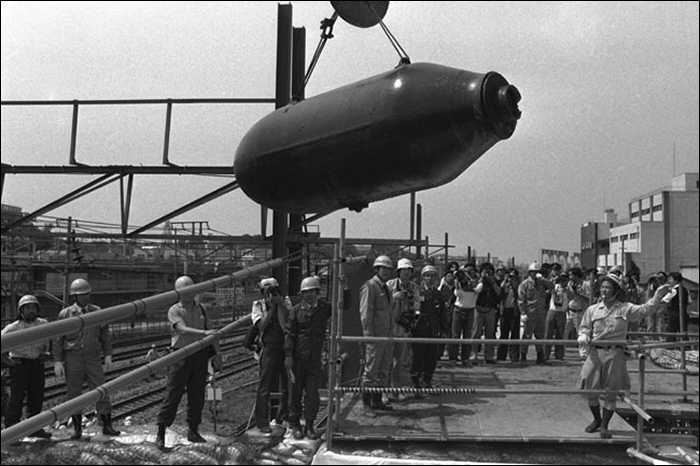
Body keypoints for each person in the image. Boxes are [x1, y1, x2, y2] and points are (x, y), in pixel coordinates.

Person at [577, 273, 670, 439]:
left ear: (615, 291)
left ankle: (605, 425)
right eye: (602, 287)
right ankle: (596, 420)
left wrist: (657, 296)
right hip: (595, 353)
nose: (604, 291)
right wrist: (583, 336)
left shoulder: (625, 308)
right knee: (589, 386)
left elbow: (645, 310)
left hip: (615, 354)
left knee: (611, 391)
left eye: (608, 288)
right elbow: (584, 327)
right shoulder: (592, 310)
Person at [155, 275, 219, 449]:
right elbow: (181, 329)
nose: (189, 295)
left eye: (191, 291)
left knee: (197, 394)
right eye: (185, 291)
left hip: (199, 355)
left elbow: (210, 331)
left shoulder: (202, 309)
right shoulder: (174, 310)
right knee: (173, 393)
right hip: (180, 356)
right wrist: (203, 334)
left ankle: (193, 429)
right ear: (179, 293)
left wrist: (217, 353)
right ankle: (161, 431)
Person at [53, 278, 120, 439]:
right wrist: (57, 360)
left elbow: (105, 334)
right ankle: (77, 428)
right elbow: (57, 339)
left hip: (93, 357)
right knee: (74, 393)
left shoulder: (97, 311)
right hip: (73, 358)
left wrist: (108, 354)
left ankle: (106, 424)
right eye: (81, 295)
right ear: (74, 297)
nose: (85, 297)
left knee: (101, 390)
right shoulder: (65, 314)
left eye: (87, 294)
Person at [284, 276, 332, 440]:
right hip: (298, 358)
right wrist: (289, 356)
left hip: (314, 359)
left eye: (311, 291)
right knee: (295, 393)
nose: (309, 295)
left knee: (312, 393)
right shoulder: (295, 311)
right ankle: (295, 424)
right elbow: (290, 335)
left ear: (317, 292)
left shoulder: (324, 308)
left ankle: (310, 425)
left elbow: (343, 307)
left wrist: (345, 288)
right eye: (305, 292)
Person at [1, 295, 52, 441]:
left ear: (38, 309)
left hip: (37, 365)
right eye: (27, 308)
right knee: (16, 399)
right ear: (21, 311)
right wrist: (5, 358)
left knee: (36, 398)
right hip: (19, 367)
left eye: (33, 308)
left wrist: (47, 354)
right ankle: (11, 431)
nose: (31, 311)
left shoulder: (44, 324)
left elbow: (54, 339)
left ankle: (34, 428)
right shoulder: (13, 328)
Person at [251, 277, 292, 434]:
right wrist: (271, 309)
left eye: (273, 290)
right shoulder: (258, 305)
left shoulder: (284, 302)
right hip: (269, 347)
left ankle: (284, 416)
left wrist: (280, 304)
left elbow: (291, 319)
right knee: (264, 386)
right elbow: (261, 326)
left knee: (289, 384)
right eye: (267, 291)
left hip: (285, 346)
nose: (270, 294)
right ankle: (262, 421)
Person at [360, 255, 394, 416]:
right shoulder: (370, 286)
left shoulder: (385, 288)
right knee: (371, 370)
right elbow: (366, 313)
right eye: (383, 268)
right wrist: (369, 336)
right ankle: (367, 405)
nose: (386, 271)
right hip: (375, 337)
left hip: (386, 336)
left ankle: (377, 400)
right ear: (376, 269)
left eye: (388, 269)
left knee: (383, 369)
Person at [411, 265, 449, 395]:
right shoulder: (417, 291)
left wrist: (444, 330)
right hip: (419, 330)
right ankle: (416, 384)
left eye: (433, 276)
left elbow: (443, 314)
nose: (430, 278)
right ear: (422, 277)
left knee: (431, 357)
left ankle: (427, 381)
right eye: (427, 275)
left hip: (433, 331)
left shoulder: (438, 294)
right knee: (418, 357)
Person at [386, 258, 420, 398]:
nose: (406, 273)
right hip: (389, 328)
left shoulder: (414, 287)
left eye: (408, 270)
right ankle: (383, 392)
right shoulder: (390, 285)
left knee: (399, 363)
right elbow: (382, 304)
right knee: (386, 362)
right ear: (398, 272)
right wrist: (394, 297)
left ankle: (395, 391)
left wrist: (411, 302)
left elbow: (418, 306)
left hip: (404, 329)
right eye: (403, 270)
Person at [518, 262, 554, 364]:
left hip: (541, 313)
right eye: (533, 272)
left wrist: (543, 279)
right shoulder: (524, 284)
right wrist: (523, 313)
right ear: (530, 273)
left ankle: (540, 356)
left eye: (537, 272)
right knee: (527, 335)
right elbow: (521, 300)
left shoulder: (542, 283)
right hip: (530, 313)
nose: (535, 274)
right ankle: (523, 356)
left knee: (540, 335)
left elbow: (552, 286)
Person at [448, 264, 479, 366]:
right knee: (455, 335)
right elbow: (458, 295)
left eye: (470, 271)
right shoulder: (461, 281)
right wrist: (458, 284)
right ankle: (453, 358)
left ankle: (465, 358)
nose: (468, 273)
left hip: (470, 310)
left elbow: (478, 289)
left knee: (467, 335)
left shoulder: (478, 281)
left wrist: (470, 281)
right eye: (466, 271)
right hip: (458, 309)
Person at [471, 262, 501, 364]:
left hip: (490, 309)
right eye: (485, 271)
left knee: (490, 334)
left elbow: (499, 292)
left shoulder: (495, 282)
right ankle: (473, 355)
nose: (488, 273)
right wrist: (481, 280)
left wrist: (492, 282)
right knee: (476, 333)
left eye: (490, 271)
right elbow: (474, 290)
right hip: (478, 309)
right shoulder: (478, 281)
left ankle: (489, 356)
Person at [497, 268, 521, 363]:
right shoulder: (504, 284)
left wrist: (514, 284)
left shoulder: (518, 285)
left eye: (513, 276)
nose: (511, 278)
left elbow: (518, 294)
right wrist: (505, 282)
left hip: (514, 311)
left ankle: (514, 356)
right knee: (503, 333)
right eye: (509, 276)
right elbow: (500, 293)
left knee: (515, 333)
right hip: (505, 310)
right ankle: (501, 355)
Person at [544, 273, 570, 360]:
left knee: (560, 334)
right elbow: (548, 290)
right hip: (552, 311)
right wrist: (555, 282)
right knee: (548, 333)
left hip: (562, 312)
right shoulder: (555, 286)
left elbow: (572, 296)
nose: (563, 281)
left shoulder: (568, 288)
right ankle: (545, 354)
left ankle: (559, 354)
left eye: (565, 279)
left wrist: (566, 288)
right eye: (561, 279)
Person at [663, 272, 690, 343]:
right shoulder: (686, 289)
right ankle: (686, 347)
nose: (669, 281)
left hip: (674, 314)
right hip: (684, 314)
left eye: (671, 279)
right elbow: (690, 301)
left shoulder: (673, 290)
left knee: (672, 332)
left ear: (676, 280)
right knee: (683, 332)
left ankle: (670, 348)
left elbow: (664, 300)